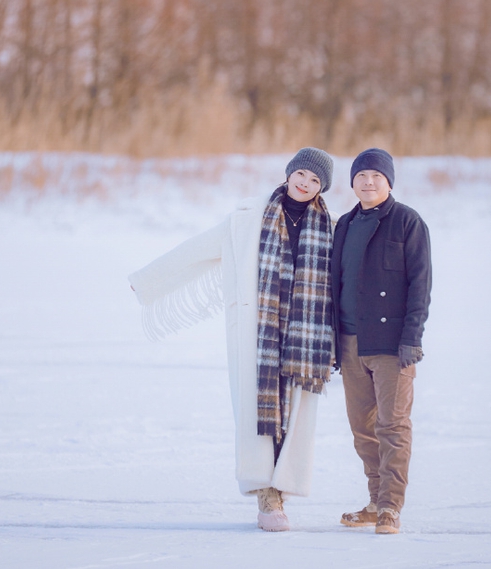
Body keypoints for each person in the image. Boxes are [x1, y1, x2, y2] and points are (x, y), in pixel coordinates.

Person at [128, 147, 336, 532]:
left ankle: (283, 486)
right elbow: (197, 249)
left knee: (294, 412)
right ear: (289, 173)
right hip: (259, 330)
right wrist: (148, 279)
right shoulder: (247, 219)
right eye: (301, 175)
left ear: (322, 188)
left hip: (308, 334)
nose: (305, 185)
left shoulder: (333, 227)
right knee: (259, 409)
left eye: (315, 181)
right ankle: (265, 494)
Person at [332, 147, 432, 535]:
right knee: (363, 428)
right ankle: (374, 501)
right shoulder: (344, 224)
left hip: (392, 345)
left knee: (393, 426)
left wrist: (412, 338)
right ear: (353, 182)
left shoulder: (408, 222)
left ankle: (391, 506)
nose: (368, 182)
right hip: (350, 342)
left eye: (377, 176)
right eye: (361, 176)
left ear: (389, 182)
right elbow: (335, 285)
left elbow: (420, 286)